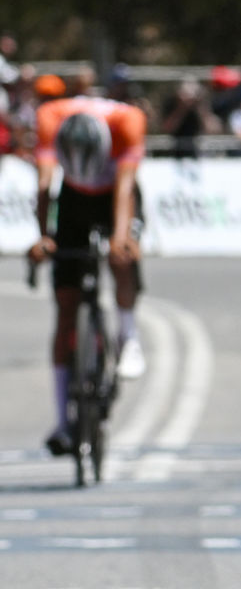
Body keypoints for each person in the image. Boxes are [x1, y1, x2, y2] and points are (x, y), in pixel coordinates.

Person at [27, 96, 149, 455]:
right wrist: (44, 237)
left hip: (116, 194)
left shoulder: (128, 121)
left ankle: (128, 337)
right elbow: (44, 186)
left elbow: (125, 188)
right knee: (66, 308)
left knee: (122, 256)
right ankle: (62, 423)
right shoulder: (50, 118)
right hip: (74, 198)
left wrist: (121, 238)